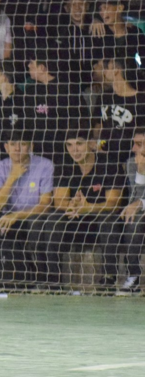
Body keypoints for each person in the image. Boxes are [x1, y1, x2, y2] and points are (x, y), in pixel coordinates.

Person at [28, 123, 124, 292]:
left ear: (91, 143)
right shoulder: (65, 165)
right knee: (52, 220)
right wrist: (71, 205)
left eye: (79, 143)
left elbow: (114, 204)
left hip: (98, 221)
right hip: (75, 220)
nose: (74, 150)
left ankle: (109, 279)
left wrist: (88, 207)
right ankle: (52, 280)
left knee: (109, 220)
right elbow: (59, 202)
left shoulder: (109, 165)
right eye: (70, 145)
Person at [0, 130, 53, 290]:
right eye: (13, 144)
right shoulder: (0, 167)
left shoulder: (45, 166)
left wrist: (17, 215)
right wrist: (12, 177)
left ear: (31, 146)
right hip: (8, 218)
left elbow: (45, 205)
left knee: (36, 226)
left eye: (22, 144)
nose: (17, 149)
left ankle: (39, 281)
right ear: (6, 147)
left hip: (32, 217)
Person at [23, 50, 87, 164]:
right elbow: (27, 123)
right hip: (38, 154)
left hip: (63, 154)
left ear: (42, 68)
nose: (29, 65)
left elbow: (81, 118)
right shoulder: (31, 92)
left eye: (32, 63)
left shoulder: (67, 90)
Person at [96, 55, 145, 167]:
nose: (105, 71)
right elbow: (100, 126)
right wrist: (99, 145)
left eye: (107, 68)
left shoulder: (141, 100)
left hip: (131, 160)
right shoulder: (104, 97)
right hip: (105, 158)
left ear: (116, 70)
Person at [117, 128, 145, 294]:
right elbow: (134, 197)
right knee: (133, 218)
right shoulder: (132, 163)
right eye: (134, 144)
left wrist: (140, 203)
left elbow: (138, 201)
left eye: (139, 144)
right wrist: (141, 172)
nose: (134, 149)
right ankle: (133, 275)